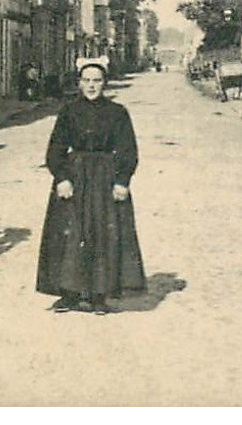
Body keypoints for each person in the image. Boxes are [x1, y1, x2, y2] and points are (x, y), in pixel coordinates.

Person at [35, 58, 146, 314]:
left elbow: (128, 150)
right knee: (69, 234)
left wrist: (122, 181)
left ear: (104, 83)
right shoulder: (68, 111)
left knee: (102, 233)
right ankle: (69, 294)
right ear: (79, 83)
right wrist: (61, 178)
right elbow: (55, 149)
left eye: (97, 81)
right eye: (86, 81)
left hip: (105, 177)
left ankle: (99, 295)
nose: (91, 86)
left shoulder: (117, 113)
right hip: (75, 176)